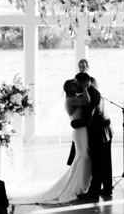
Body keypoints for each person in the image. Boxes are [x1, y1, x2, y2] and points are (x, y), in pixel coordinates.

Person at [34, 79, 92, 203]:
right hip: (80, 131)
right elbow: (87, 100)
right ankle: (77, 186)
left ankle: (80, 184)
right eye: (76, 85)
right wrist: (86, 88)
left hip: (80, 130)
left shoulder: (72, 98)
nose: (78, 86)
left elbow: (82, 98)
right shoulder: (71, 100)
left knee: (82, 156)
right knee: (82, 157)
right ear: (72, 88)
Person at [75, 71, 113, 199]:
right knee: (106, 161)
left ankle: (94, 191)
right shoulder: (94, 91)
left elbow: (88, 119)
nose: (76, 85)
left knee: (97, 162)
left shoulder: (90, 95)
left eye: (77, 82)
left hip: (99, 131)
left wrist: (74, 124)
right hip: (106, 129)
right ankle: (107, 188)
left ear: (83, 82)